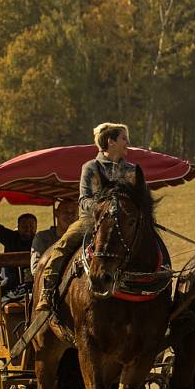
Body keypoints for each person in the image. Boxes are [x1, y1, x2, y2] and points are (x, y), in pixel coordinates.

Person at [36, 122, 137, 313]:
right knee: (62, 246)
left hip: (124, 223)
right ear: (111, 141)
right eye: (124, 138)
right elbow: (83, 201)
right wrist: (106, 209)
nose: (128, 143)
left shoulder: (132, 170)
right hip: (90, 222)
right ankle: (47, 292)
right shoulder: (91, 167)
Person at [0, 190, 37, 289]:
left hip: (35, 282)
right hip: (11, 283)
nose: (28, 229)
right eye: (24, 226)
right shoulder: (11, 238)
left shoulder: (40, 240)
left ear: (36, 227)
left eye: (31, 226)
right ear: (18, 227)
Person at [30, 199, 78, 275]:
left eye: (73, 213)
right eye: (66, 212)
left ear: (78, 217)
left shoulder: (80, 239)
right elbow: (36, 269)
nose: (69, 216)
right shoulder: (42, 238)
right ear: (56, 213)